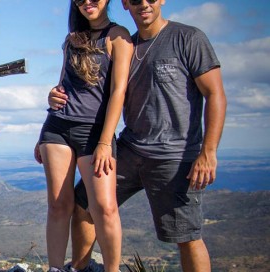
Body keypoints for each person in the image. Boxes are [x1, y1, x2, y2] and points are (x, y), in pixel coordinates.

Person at [47, 0, 227, 271]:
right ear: (125, 4)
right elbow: (90, 89)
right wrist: (55, 95)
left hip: (173, 156)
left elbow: (215, 94)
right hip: (131, 148)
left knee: (187, 236)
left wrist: (209, 152)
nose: (143, 4)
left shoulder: (187, 38)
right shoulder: (125, 44)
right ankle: (80, 268)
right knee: (84, 204)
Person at [33, 0, 133, 271]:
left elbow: (118, 93)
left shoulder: (118, 36)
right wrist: (44, 128)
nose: (87, 2)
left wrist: (104, 141)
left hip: (94, 132)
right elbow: (62, 84)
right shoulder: (71, 39)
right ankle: (55, 268)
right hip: (57, 128)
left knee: (105, 208)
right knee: (58, 205)